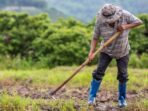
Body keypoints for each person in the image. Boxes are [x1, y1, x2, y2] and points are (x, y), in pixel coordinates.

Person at [88, 4, 142, 107]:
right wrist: (91, 52)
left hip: (123, 51)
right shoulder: (100, 20)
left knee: (123, 75)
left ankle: (122, 99)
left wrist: (125, 26)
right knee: (98, 72)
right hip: (106, 50)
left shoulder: (125, 15)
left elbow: (139, 22)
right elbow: (95, 37)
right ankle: (92, 97)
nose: (109, 21)